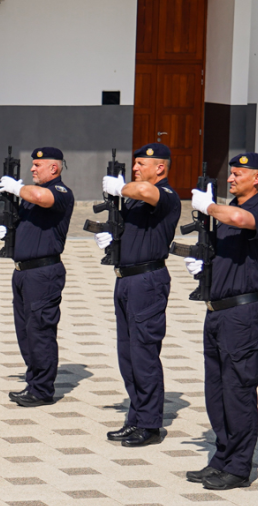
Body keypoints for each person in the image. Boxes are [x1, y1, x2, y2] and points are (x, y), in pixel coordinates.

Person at [183, 153, 258, 491]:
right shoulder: (226, 217)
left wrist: (209, 207)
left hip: (242, 315)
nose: (232, 178)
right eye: (232, 173)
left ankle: (239, 467)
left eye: (239, 173)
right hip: (217, 312)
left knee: (238, 390)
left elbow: (240, 217)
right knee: (217, 391)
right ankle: (222, 457)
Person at [93, 143, 181, 448]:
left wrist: (122, 188)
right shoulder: (132, 198)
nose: (135, 168)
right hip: (126, 280)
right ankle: (136, 417)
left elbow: (146, 193)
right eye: (134, 163)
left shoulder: (166, 195)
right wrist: (109, 239)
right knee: (128, 355)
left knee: (144, 354)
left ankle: (150, 424)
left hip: (147, 281)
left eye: (141, 163)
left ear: (160, 168)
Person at [0, 147, 75, 408]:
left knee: (40, 331)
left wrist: (18, 189)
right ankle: (33, 382)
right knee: (26, 332)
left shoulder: (60, 193)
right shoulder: (31, 196)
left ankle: (42, 390)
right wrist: (6, 230)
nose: (32, 169)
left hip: (43, 273)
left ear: (54, 168)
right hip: (23, 273)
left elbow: (41, 196)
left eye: (37, 165)